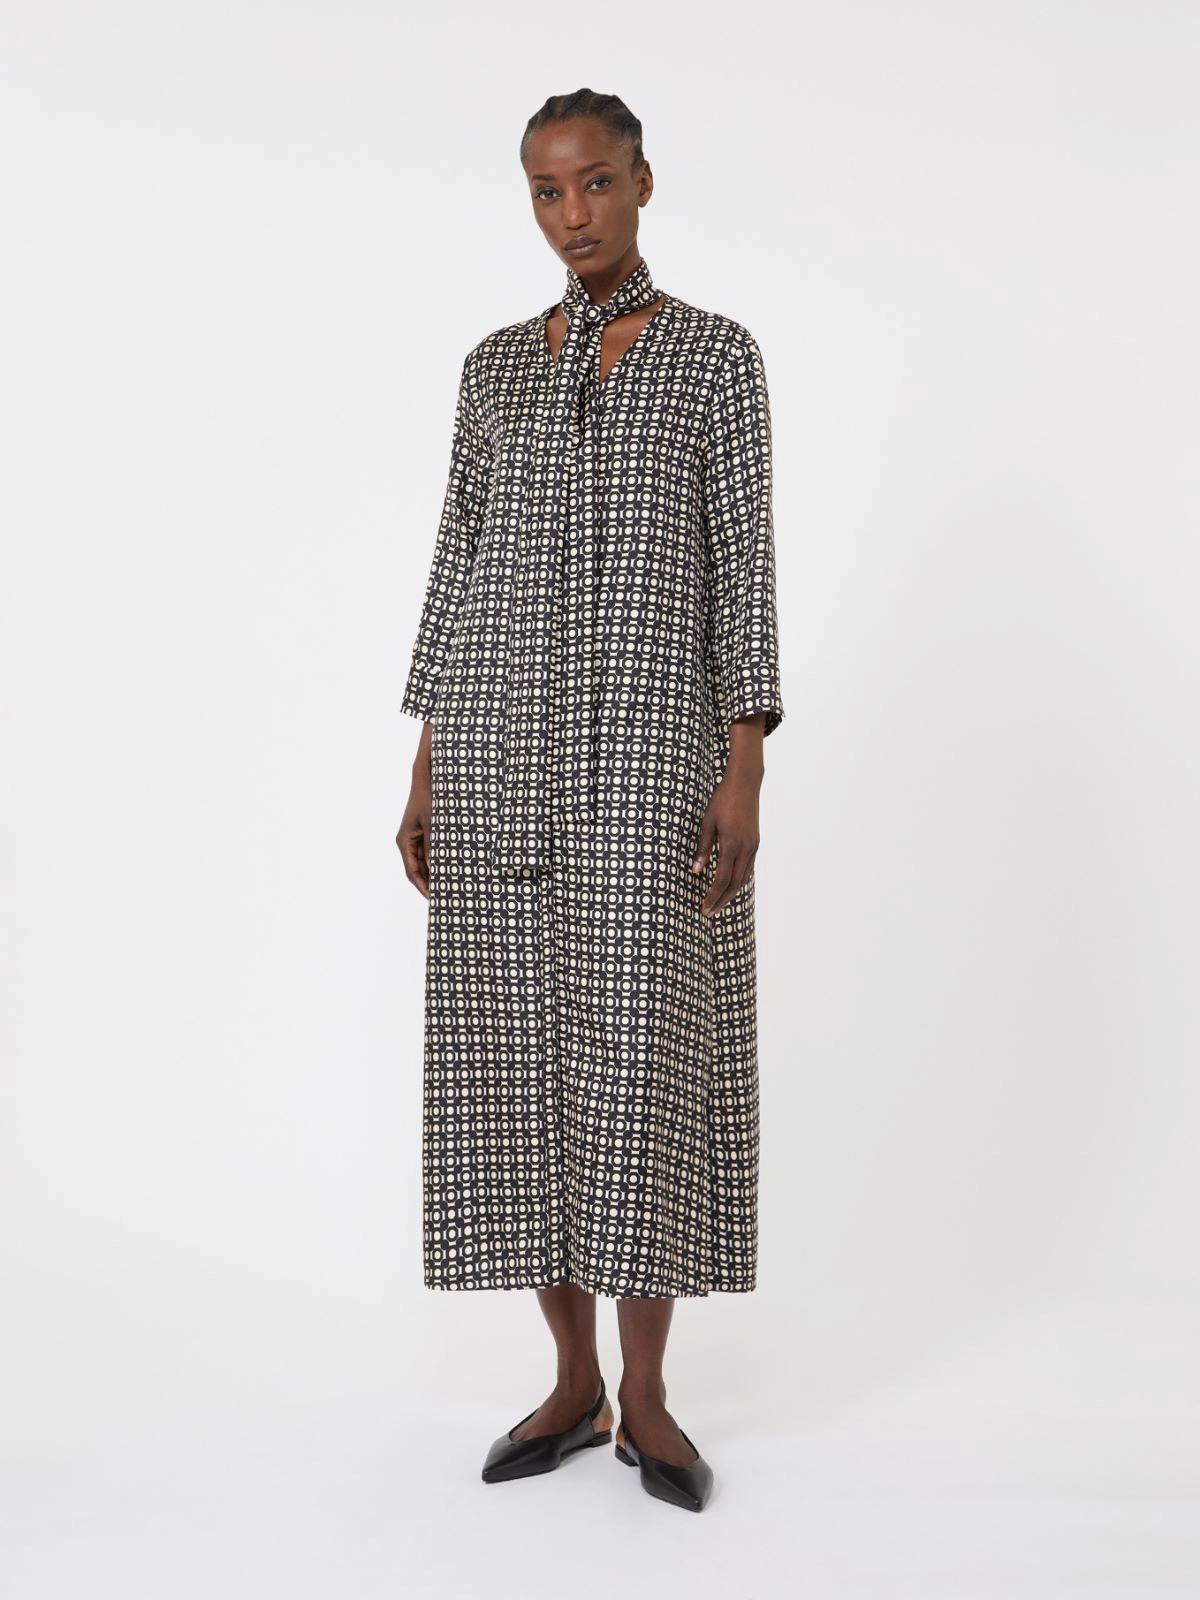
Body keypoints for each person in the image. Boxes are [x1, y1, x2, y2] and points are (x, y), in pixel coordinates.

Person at [395, 88, 784, 1514]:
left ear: (644, 182)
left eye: (598, 183)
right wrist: (427, 757)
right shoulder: (494, 369)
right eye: (549, 193)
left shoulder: (716, 358)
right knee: (515, 1070)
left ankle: (651, 1396)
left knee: (640, 1065)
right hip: (498, 756)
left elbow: (743, 564)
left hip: (648, 759)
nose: (575, 215)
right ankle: (571, 1385)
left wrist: (744, 761)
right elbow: (458, 559)